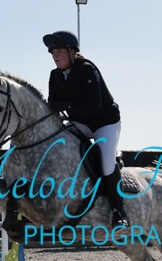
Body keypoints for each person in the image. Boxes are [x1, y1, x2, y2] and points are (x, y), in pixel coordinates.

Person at [42, 30, 129, 227]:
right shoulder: (55, 75)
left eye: (59, 51)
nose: (55, 55)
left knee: (106, 163)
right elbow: (53, 103)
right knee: (55, 145)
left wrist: (65, 105)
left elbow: (93, 106)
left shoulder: (87, 69)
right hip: (80, 123)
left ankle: (119, 211)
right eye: (52, 52)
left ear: (72, 51)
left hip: (104, 123)